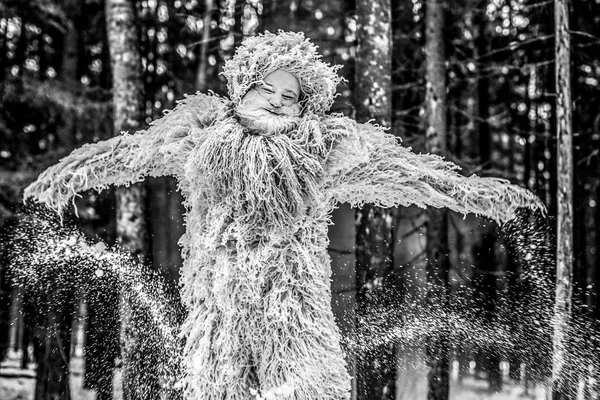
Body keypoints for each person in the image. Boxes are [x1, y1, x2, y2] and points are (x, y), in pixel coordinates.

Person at [24, 31, 543, 400]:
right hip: (220, 314)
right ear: (241, 90)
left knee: (303, 389)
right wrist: (67, 176)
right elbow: (130, 153)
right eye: (264, 89)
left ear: (304, 107)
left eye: (289, 97)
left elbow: (406, 174)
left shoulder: (323, 153)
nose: (275, 102)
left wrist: (473, 193)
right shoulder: (199, 138)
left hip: (292, 312)